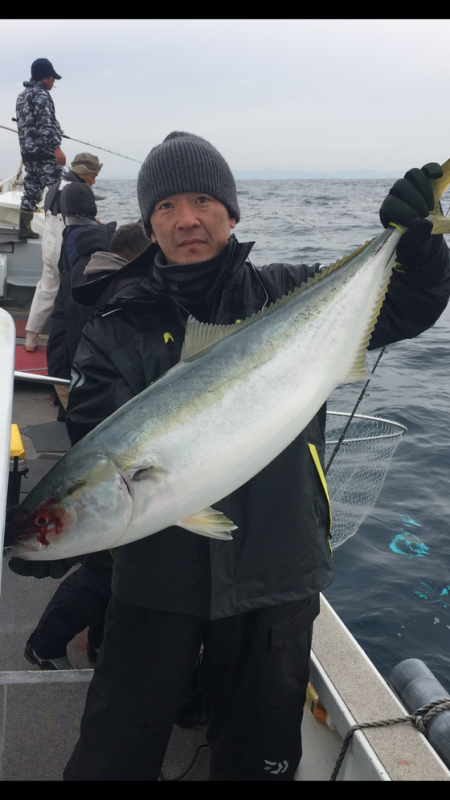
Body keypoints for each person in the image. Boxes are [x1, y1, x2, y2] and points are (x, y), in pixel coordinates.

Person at [13, 132, 450, 780]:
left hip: (273, 577)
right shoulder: (113, 327)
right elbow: (97, 438)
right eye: (165, 206)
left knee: (258, 760)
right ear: (148, 221)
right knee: (112, 754)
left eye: (201, 199)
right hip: (154, 584)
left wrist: (417, 246)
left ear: (232, 211)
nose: (186, 217)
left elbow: (407, 308)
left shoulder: (287, 291)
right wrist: (57, 530)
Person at [13, 224, 150, 670]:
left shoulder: (86, 278)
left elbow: (62, 335)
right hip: (114, 429)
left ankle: (93, 644)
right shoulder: (125, 292)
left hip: (93, 414)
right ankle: (47, 643)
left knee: (109, 560)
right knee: (107, 565)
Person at [24, 152, 104, 353]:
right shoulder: (76, 189)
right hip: (64, 245)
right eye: (92, 176)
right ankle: (70, 344)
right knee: (71, 293)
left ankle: (30, 338)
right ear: (84, 173)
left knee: (46, 290)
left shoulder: (54, 186)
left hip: (48, 242)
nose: (93, 182)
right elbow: (79, 220)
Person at [16, 58, 66, 242]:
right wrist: (57, 148)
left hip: (28, 153)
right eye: (53, 78)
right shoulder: (42, 95)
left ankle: (24, 228)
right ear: (45, 77)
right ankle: (62, 231)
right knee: (56, 191)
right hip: (45, 153)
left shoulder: (22, 96)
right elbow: (45, 124)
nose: (54, 82)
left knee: (31, 190)